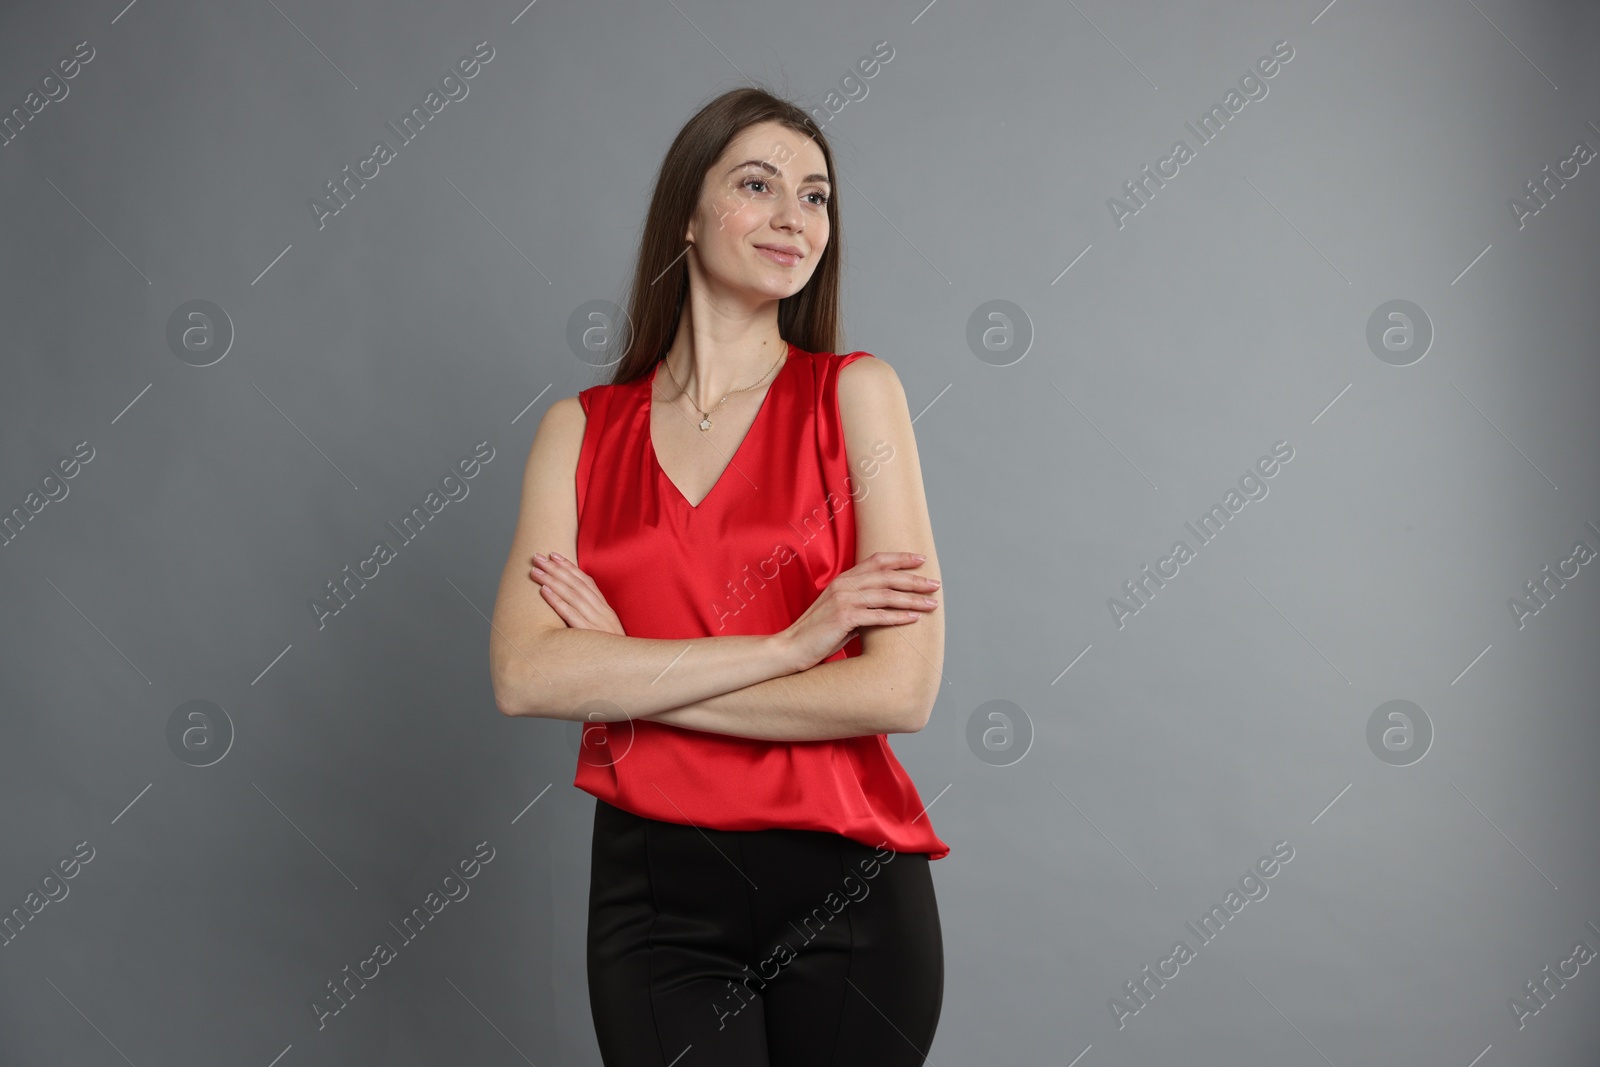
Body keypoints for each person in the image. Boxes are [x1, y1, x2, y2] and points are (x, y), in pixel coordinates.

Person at [489, 85, 948, 1066]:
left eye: (817, 195)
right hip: (654, 894)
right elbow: (525, 675)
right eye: (757, 183)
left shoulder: (857, 396)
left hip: (848, 885)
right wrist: (784, 649)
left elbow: (897, 689)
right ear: (687, 215)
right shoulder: (577, 431)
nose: (795, 216)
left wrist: (625, 671)